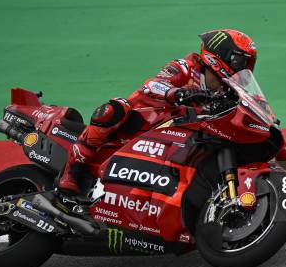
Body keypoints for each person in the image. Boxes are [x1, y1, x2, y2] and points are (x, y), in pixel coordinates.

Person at [57, 29, 258, 202]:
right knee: (116, 108)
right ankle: (71, 172)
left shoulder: (227, 92)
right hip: (140, 124)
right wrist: (176, 93)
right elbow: (153, 84)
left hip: (178, 139)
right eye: (241, 61)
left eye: (248, 64)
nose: (244, 68)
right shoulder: (185, 67)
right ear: (220, 55)